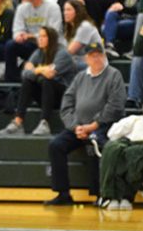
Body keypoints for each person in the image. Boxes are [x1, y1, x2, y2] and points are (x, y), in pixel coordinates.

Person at [45, 42, 126, 206]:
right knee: (56, 145)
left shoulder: (113, 75)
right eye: (92, 55)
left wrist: (94, 125)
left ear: (104, 56)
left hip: (104, 126)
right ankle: (63, 193)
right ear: (86, 58)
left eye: (99, 55)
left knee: (94, 143)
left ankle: (100, 195)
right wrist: (76, 127)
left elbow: (115, 106)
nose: (96, 58)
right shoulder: (81, 77)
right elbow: (66, 104)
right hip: (79, 126)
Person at [0, 26, 76, 137]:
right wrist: (41, 70)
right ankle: (18, 122)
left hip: (63, 97)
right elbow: (24, 73)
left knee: (46, 80)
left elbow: (50, 73)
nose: (40, 39)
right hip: (45, 96)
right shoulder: (38, 52)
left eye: (44, 36)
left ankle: (45, 123)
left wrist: (35, 69)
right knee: (28, 81)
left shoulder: (63, 54)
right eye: (39, 36)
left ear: (51, 39)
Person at [5, 0, 63, 82]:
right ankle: (11, 81)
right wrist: (20, 36)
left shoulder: (53, 8)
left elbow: (53, 33)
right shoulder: (21, 8)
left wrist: (31, 36)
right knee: (11, 45)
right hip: (30, 44)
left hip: (50, 47)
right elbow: (17, 30)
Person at [63, 0, 102, 68]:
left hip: (93, 63)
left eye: (69, 10)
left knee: (63, 65)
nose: (65, 13)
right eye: (64, 10)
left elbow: (69, 51)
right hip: (79, 60)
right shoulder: (70, 28)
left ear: (77, 12)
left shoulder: (85, 26)